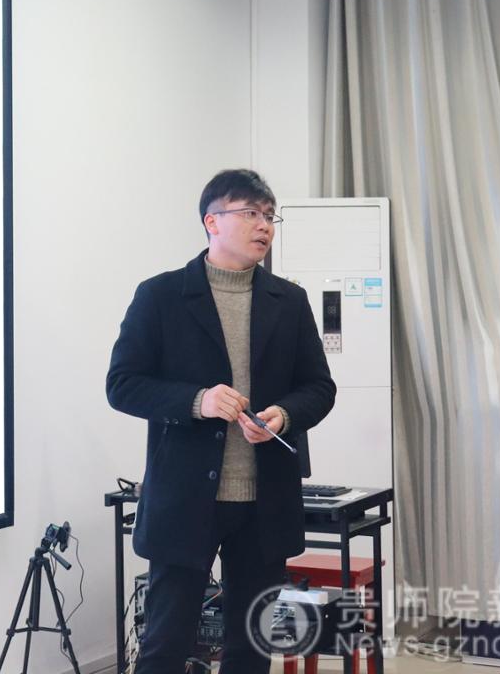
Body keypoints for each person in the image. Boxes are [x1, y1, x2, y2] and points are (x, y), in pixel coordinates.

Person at [106, 169, 336, 673]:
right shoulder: (161, 295)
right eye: (250, 213)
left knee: (251, 648)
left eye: (269, 215)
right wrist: (198, 401)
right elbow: (122, 384)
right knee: (166, 644)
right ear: (212, 221)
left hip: (264, 499)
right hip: (186, 498)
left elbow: (320, 388)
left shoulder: (289, 301)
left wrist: (284, 415)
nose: (264, 225)